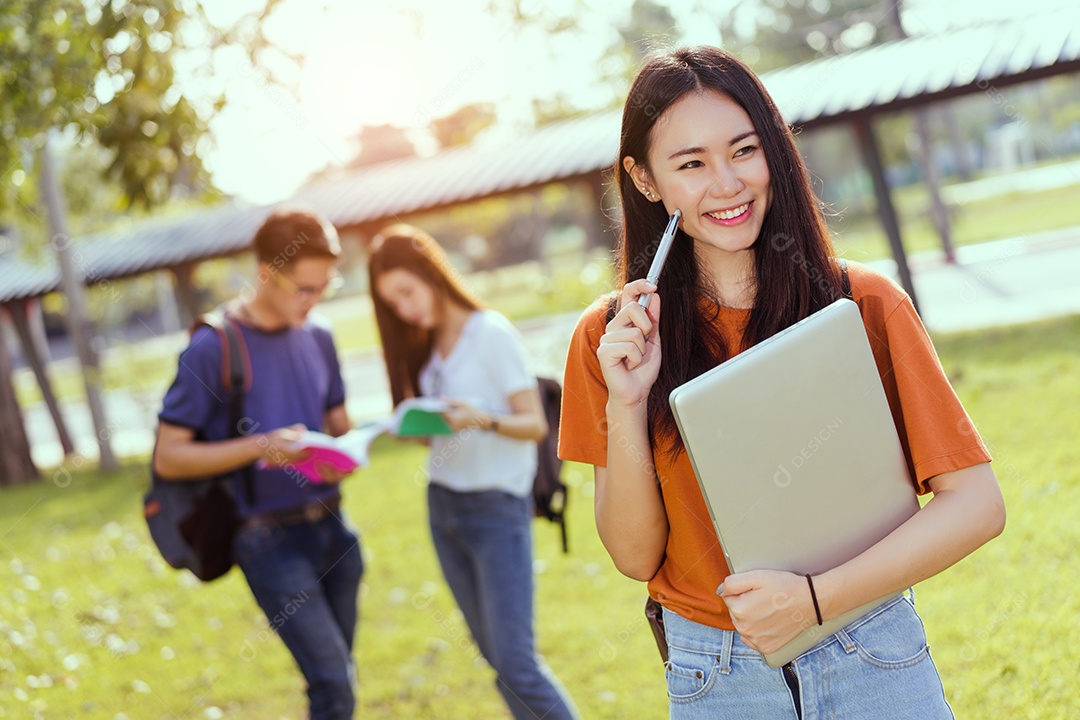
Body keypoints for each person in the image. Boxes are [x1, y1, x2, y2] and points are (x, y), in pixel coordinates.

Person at [557, 46, 1006, 719]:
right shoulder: (611, 337)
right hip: (715, 674)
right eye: (691, 164)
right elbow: (634, 554)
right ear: (645, 180)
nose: (728, 183)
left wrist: (817, 600)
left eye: (744, 149)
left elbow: (977, 505)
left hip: (868, 645)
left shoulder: (863, 302)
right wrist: (627, 403)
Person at [154, 208, 364, 720]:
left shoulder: (319, 335)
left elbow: (338, 423)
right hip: (268, 539)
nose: (313, 301)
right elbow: (169, 456)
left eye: (324, 288)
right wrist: (260, 447)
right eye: (304, 289)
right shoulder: (213, 347)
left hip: (336, 530)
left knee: (336, 681)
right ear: (266, 274)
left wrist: (348, 449)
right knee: (334, 682)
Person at [366, 224, 580, 720]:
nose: (404, 308)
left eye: (405, 292)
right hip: (445, 507)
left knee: (516, 662)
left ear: (429, 272)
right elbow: (440, 428)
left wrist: (477, 419)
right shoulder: (427, 343)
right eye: (392, 304)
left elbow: (535, 425)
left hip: (496, 511)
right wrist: (418, 425)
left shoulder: (490, 333)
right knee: (495, 661)